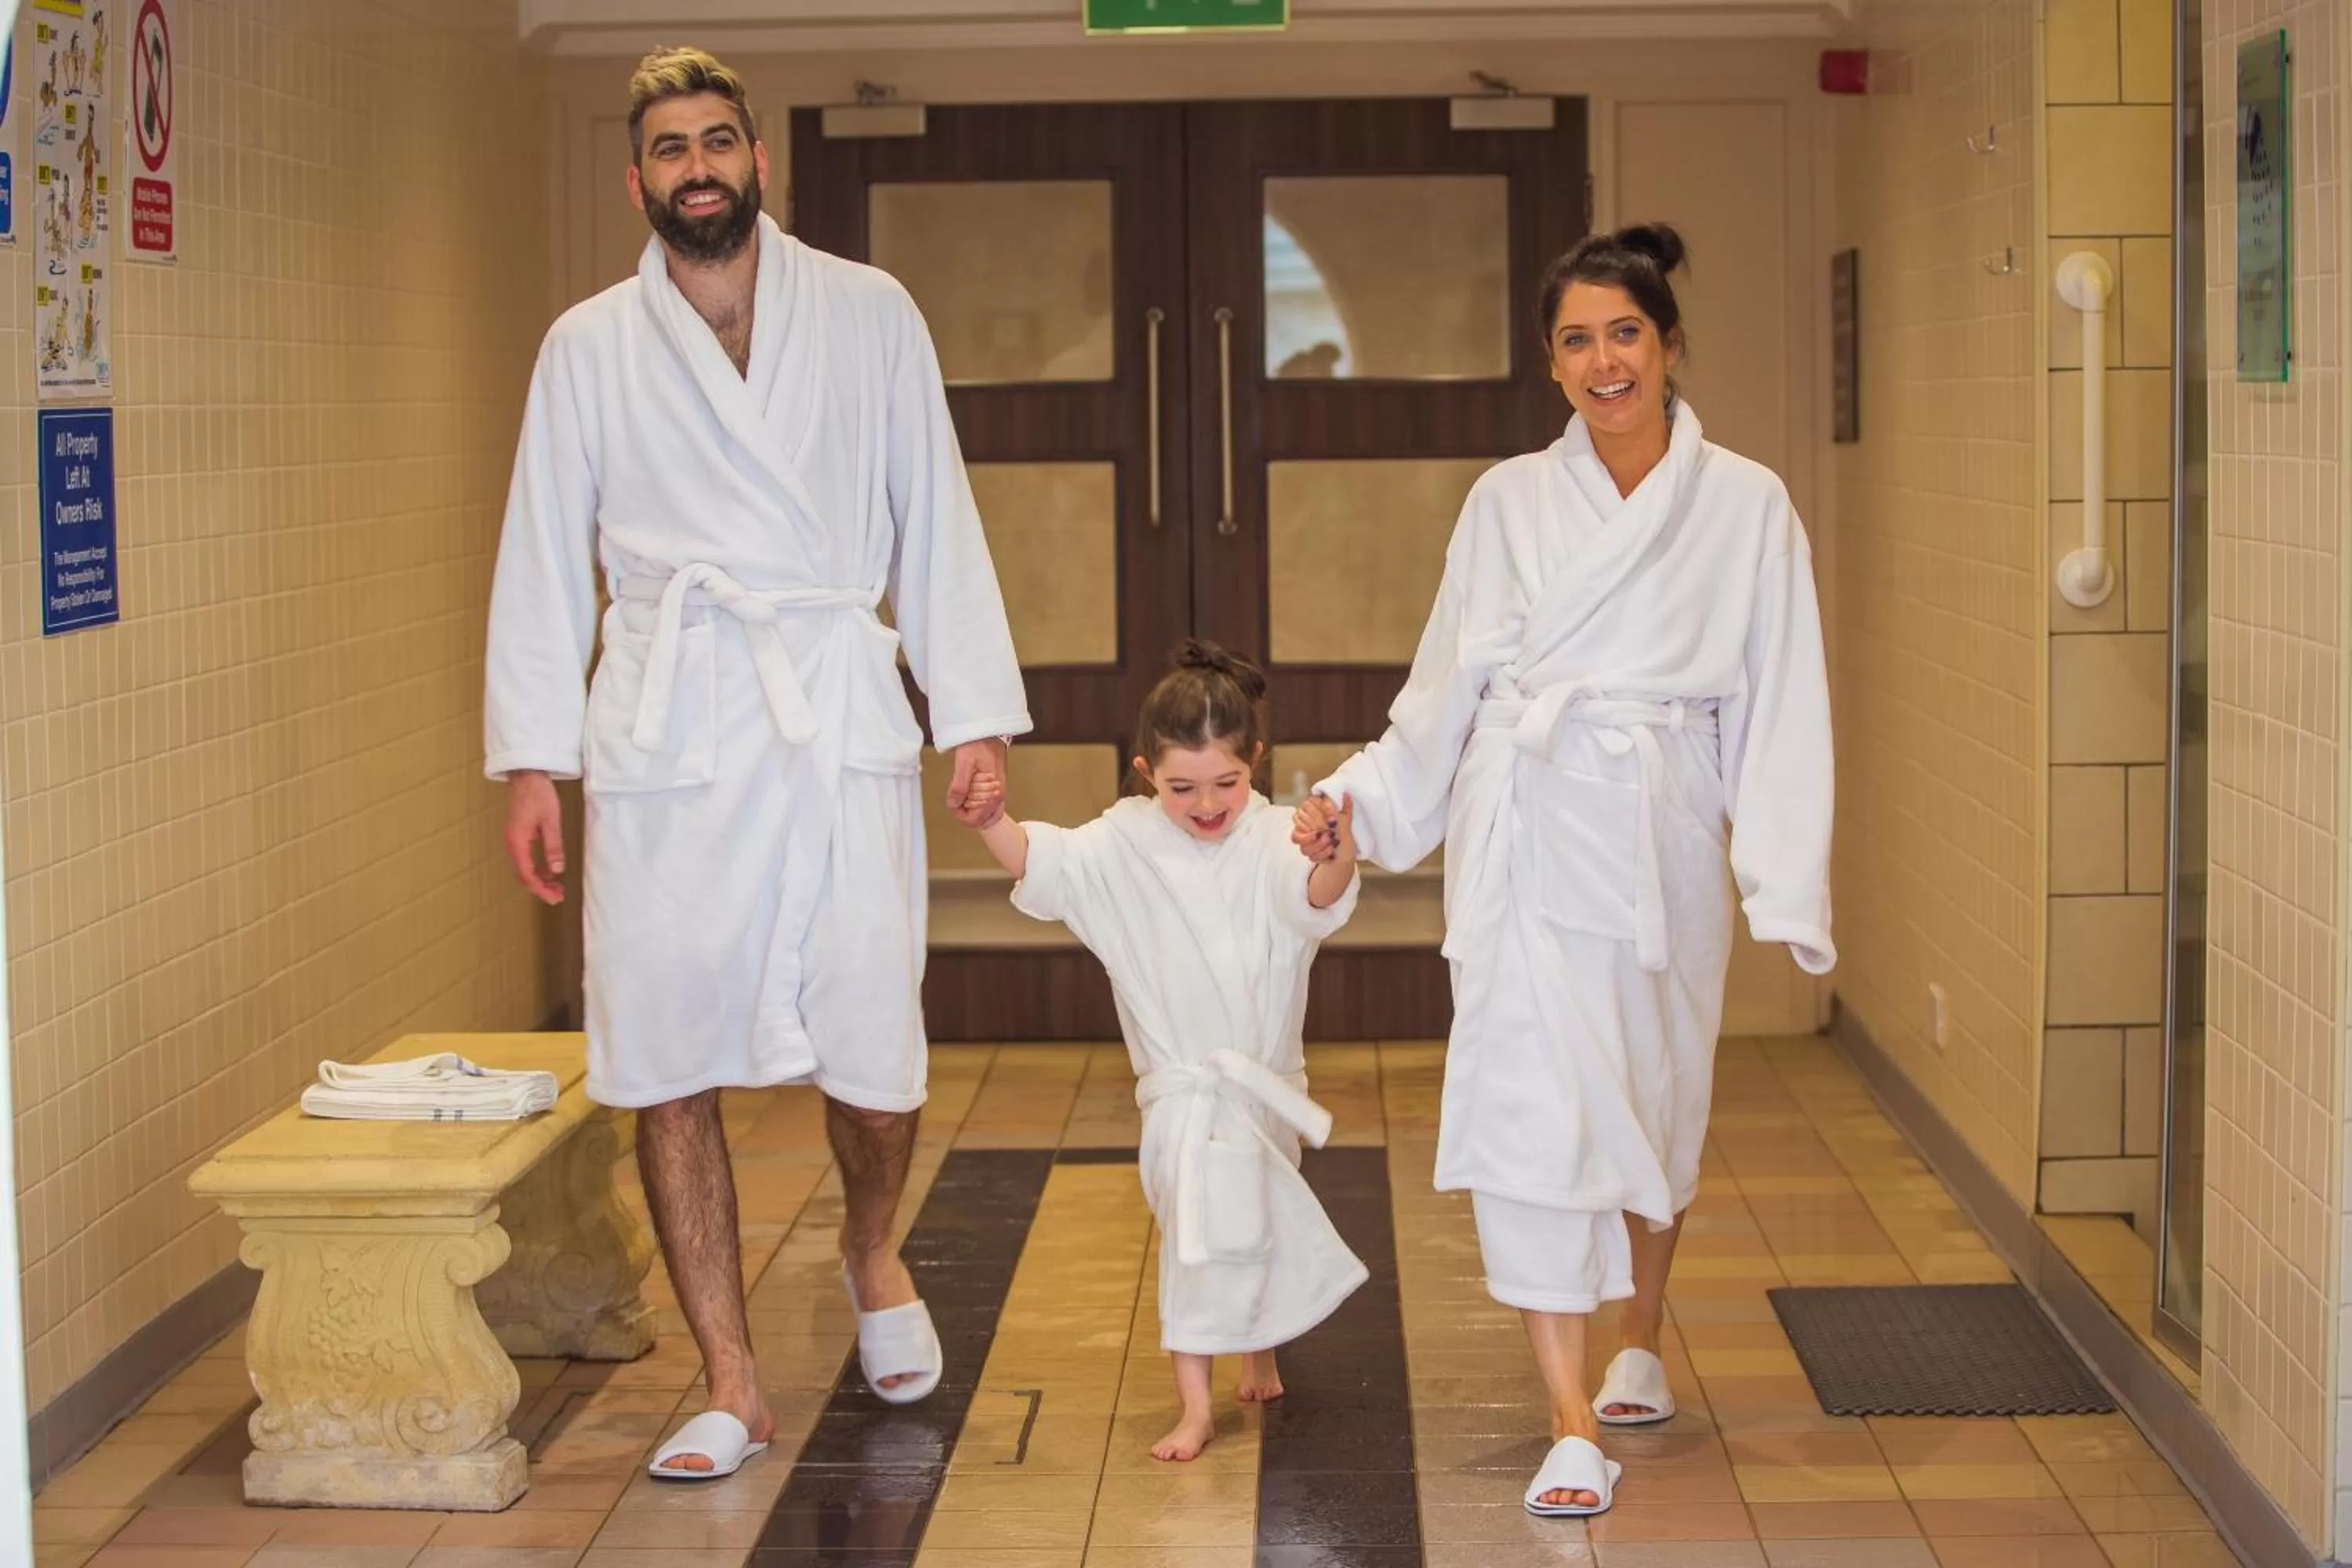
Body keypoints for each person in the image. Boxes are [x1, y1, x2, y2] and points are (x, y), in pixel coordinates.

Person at [482, 46, 1029, 1479]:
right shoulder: (588, 346)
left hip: (831, 707)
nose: (699, 167)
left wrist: (967, 711)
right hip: (671, 725)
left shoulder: (868, 312)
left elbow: (936, 510)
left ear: (760, 160)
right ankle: (730, 1376)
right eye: (671, 148)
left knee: (875, 1046)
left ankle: (870, 1249)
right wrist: (533, 762)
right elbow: (543, 554)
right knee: (666, 1056)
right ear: (638, 178)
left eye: (719, 140)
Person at [1294, 224, 1834, 1518]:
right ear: (1553, 363)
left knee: (1653, 1100)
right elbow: (1446, 689)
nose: (1605, 363)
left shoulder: (1748, 504)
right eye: (1578, 342)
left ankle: (1639, 1329)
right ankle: (1568, 1417)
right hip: (1527, 838)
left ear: (1669, 345)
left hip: (1658, 839)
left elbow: (1783, 699)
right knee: (1538, 1116)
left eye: (1626, 334)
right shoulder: (1509, 503)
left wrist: (1781, 874)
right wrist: (1360, 803)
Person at [963, 643, 1368, 1462]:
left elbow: (1317, 901)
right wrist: (990, 822)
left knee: (1252, 1225)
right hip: (1182, 1097)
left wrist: (1338, 853)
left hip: (1263, 1086)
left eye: (1225, 781)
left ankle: (1258, 1348)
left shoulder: (1274, 838)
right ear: (1147, 771)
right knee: (1193, 1235)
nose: (1207, 803)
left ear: (1254, 759)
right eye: (1181, 787)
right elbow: (1051, 868)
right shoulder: (1124, 842)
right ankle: (1195, 1405)